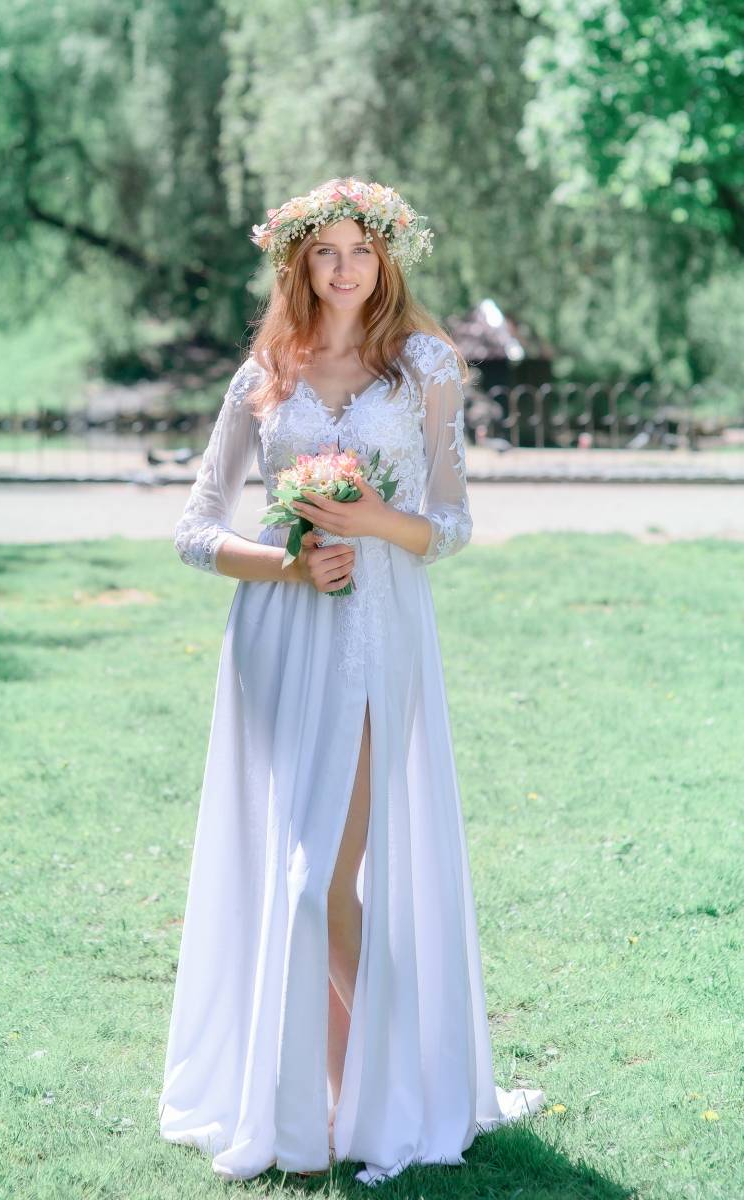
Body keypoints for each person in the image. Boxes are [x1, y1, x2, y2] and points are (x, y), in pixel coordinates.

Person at [158, 176, 544, 1185]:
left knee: (316, 880)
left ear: (387, 258)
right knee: (299, 874)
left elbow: (450, 525)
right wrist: (285, 564)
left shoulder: (425, 366)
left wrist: (371, 521)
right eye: (323, 252)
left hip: (375, 631)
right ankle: (333, 1100)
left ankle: (408, 1075)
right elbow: (193, 531)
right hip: (277, 633)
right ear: (297, 262)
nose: (343, 269)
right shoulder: (264, 373)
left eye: (360, 251)